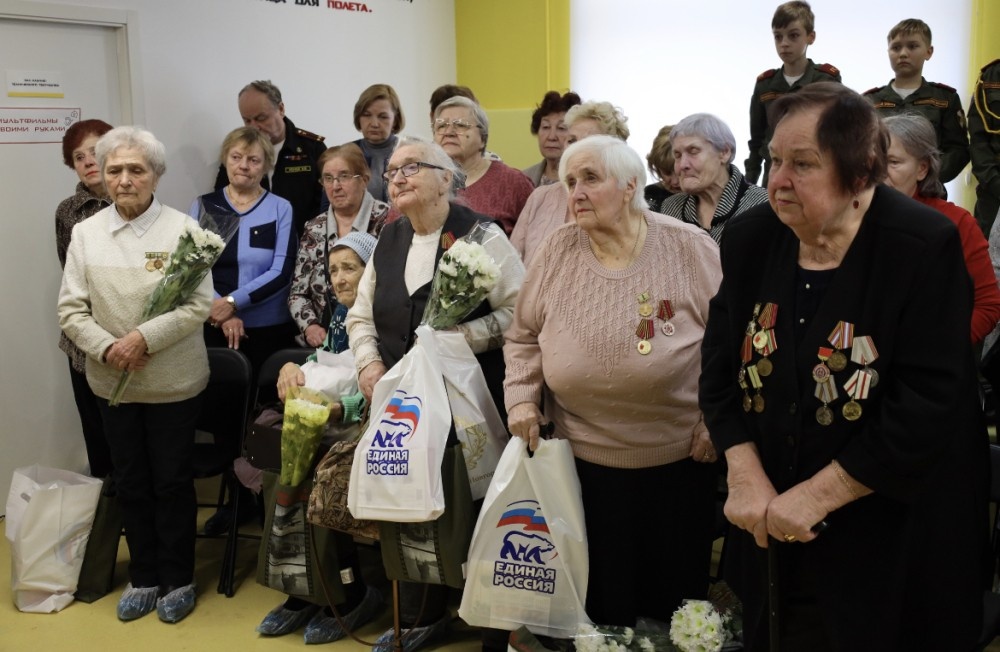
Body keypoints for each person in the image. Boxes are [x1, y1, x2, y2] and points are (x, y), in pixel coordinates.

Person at [699, 82, 989, 650]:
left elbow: (928, 400)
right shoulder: (752, 238)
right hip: (770, 515)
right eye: (775, 160)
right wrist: (743, 470)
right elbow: (719, 364)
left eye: (802, 165)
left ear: (861, 175)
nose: (776, 180)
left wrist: (814, 497)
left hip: (887, 527)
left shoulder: (921, 244)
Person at [505, 134, 722, 626]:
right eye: (570, 182)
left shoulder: (687, 246)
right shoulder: (557, 249)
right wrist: (521, 401)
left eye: (590, 179)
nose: (576, 192)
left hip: (679, 457)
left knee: (672, 605)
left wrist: (715, 420)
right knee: (604, 603)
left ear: (629, 186)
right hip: (582, 460)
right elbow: (521, 337)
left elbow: (729, 342)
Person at [346, 136, 525, 652]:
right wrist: (369, 363)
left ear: (446, 179)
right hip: (400, 399)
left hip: (464, 398)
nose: (396, 178)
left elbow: (520, 313)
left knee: (461, 500)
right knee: (407, 497)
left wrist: (460, 338)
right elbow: (360, 315)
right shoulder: (389, 236)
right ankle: (422, 611)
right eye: (392, 171)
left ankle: (477, 611)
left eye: (411, 168)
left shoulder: (482, 236)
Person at [58, 126, 212, 624]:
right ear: (102, 176)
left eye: (136, 169)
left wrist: (144, 338)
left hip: (173, 382)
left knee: (171, 481)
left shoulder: (185, 232)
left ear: (155, 175)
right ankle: (145, 576)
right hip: (111, 383)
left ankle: (178, 578)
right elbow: (71, 311)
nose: (124, 179)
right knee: (131, 481)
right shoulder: (85, 233)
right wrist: (109, 348)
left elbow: (198, 304)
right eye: (115, 170)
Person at [257, 231, 383, 644]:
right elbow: (322, 358)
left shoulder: (386, 317)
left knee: (322, 480)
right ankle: (302, 590)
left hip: (370, 432)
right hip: (326, 428)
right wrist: (290, 370)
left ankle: (347, 595)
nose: (340, 279)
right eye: (333, 270)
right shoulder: (342, 316)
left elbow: (385, 389)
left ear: (372, 273)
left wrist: (337, 410)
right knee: (280, 477)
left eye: (350, 268)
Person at [196, 127, 298, 536]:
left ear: (265, 167)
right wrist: (221, 310)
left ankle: (266, 499)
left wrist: (234, 303)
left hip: (267, 330)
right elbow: (193, 265)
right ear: (225, 160)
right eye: (237, 157)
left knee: (262, 418)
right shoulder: (204, 205)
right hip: (214, 327)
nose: (244, 166)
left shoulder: (280, 208)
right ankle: (235, 504)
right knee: (223, 419)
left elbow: (281, 270)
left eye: (254, 160)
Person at [883, 113, 1000, 344]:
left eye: (893, 162)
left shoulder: (956, 223)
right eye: (873, 162)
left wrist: (944, 349)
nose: (880, 173)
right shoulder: (851, 218)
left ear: (922, 169)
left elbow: (987, 305)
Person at [288, 143, 391, 349]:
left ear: (364, 179)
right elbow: (297, 293)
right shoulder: (314, 228)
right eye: (328, 178)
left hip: (376, 336)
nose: (335, 186)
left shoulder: (388, 221)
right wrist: (310, 326)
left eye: (344, 176)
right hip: (323, 340)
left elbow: (392, 289)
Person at [55, 118, 114, 478]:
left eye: (95, 152)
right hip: (84, 341)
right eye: (79, 157)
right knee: (96, 429)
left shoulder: (138, 200)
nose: (89, 161)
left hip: (132, 338)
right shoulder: (67, 212)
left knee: (128, 429)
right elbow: (69, 272)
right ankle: (108, 514)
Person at [510, 100, 630, 266]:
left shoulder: (620, 198)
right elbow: (511, 267)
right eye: (571, 141)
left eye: (588, 142)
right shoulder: (539, 197)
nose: (575, 150)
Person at [745, 1, 841, 186]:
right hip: (774, 173)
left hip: (814, 171)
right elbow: (757, 141)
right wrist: (749, 183)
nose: (784, 44)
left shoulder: (826, 80)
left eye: (793, 35)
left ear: (810, 37)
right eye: (778, 37)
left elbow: (837, 133)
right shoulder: (765, 84)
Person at [863, 19, 969, 184]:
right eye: (896, 47)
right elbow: (860, 148)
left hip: (929, 191)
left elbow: (958, 150)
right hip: (882, 190)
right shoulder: (870, 100)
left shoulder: (944, 98)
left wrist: (928, 175)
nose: (903, 53)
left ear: (928, 52)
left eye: (912, 46)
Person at [214, 80, 326, 236]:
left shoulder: (312, 148)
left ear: (280, 109)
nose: (254, 127)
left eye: (261, 118)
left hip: (304, 242)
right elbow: (222, 199)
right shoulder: (237, 151)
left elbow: (324, 204)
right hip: (252, 243)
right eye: (247, 120)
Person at [432, 96, 534, 235]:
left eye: (461, 125)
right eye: (441, 126)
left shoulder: (513, 182)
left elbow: (538, 240)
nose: (449, 132)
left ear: (482, 138)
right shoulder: (422, 183)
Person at [660, 113, 769, 243]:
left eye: (693, 151)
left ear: (724, 152)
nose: (683, 165)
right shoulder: (671, 209)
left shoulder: (763, 206)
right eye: (677, 155)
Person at [352, 83, 405, 204]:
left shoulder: (411, 152)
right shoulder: (344, 155)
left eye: (383, 117)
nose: (374, 123)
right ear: (358, 117)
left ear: (395, 120)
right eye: (367, 115)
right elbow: (328, 207)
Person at [521, 90, 582, 187]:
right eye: (546, 127)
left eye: (561, 128)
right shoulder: (523, 179)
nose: (551, 137)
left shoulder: (584, 179)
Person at [969, 58, 1000, 235]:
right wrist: (995, 183)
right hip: (994, 192)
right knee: (985, 258)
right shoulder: (990, 76)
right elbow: (978, 139)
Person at [645, 124, 681, 213]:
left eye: (680, 172)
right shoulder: (648, 194)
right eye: (667, 173)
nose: (675, 181)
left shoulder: (706, 198)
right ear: (657, 168)